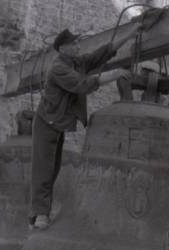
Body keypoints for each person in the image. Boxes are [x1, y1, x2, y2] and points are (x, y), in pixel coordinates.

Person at [29, 21, 145, 230]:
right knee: (44, 170)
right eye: (74, 44)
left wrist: (131, 32)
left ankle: (39, 213)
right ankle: (39, 215)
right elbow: (82, 84)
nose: (79, 46)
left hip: (58, 123)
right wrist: (115, 74)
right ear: (63, 48)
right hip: (47, 123)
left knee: (53, 169)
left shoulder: (77, 63)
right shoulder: (59, 68)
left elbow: (103, 53)